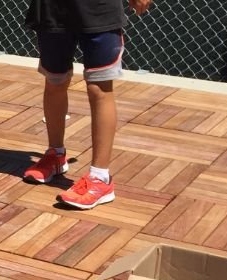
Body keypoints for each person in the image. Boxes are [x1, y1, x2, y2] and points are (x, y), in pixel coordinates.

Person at [23, 0, 153, 209]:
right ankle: (55, 155)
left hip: (99, 11)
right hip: (52, 10)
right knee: (55, 81)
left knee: (99, 88)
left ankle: (100, 178)